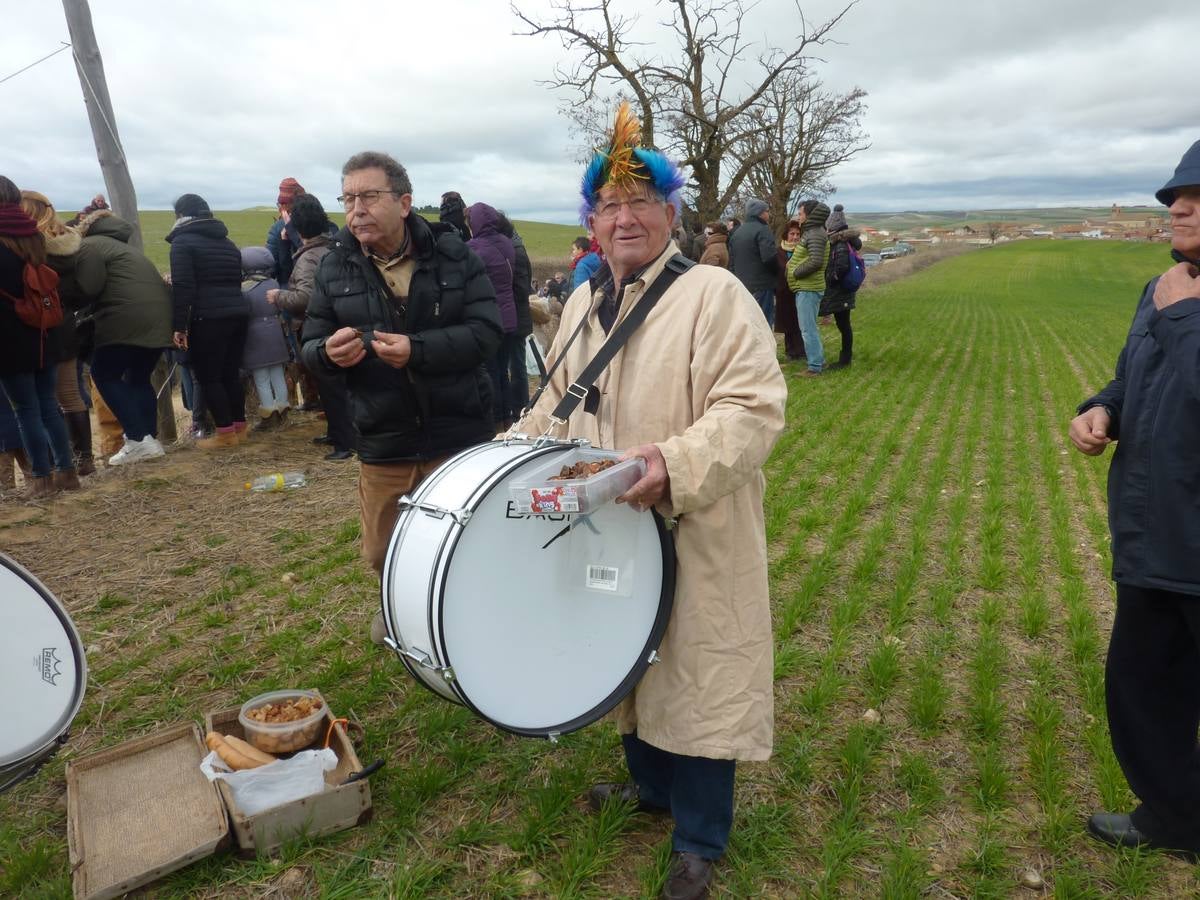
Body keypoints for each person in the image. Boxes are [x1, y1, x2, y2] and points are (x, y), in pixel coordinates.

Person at [518, 103, 786, 900]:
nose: (624, 216)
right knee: (627, 653)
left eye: (641, 202)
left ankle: (700, 837)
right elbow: (554, 405)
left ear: (670, 214)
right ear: (592, 223)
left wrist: (671, 463)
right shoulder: (582, 301)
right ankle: (652, 791)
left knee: (699, 667)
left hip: (692, 516)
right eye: (609, 204)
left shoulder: (713, 294)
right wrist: (500, 460)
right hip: (608, 522)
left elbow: (751, 408)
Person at [300, 151, 501, 638]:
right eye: (348, 199)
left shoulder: (455, 255)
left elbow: (486, 333)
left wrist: (419, 350)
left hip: (457, 425)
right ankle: (401, 606)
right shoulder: (334, 268)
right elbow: (309, 346)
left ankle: (468, 611)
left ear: (404, 202)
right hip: (383, 428)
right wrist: (328, 354)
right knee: (379, 547)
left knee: (467, 533)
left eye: (369, 196)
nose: (357, 209)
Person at [1071, 140, 1200, 857]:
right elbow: (1133, 376)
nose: (1177, 206)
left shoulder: (1177, 302)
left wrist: (1183, 318)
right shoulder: (1161, 289)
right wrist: (1102, 410)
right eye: (1176, 195)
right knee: (1144, 692)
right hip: (1154, 534)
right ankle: (1175, 818)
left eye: (1198, 197)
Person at [68, 204, 174, 466]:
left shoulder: (91, 246)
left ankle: (138, 440)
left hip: (125, 320)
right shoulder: (127, 250)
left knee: (104, 373)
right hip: (160, 320)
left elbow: (90, 286)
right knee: (138, 378)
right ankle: (149, 439)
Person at [0, 175, 77, 497]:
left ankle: (41, 479)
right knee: (48, 405)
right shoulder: (33, 235)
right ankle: (67, 473)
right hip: (45, 331)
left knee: (25, 410)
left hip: (9, 336)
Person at [268, 194, 353, 459]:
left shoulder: (307, 258)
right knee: (337, 385)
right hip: (339, 322)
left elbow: (305, 298)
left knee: (331, 386)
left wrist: (278, 297)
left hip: (315, 327)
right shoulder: (333, 247)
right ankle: (337, 434)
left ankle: (343, 443)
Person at [19, 191, 94, 475]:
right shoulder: (71, 244)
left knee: (44, 400)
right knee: (70, 394)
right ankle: (84, 459)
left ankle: (59, 463)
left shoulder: (31, 247)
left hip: (40, 325)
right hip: (65, 323)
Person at [168, 193, 250, 450]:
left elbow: (183, 286)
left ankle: (225, 434)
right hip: (238, 313)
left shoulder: (182, 243)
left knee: (209, 377)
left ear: (181, 216)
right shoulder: (227, 243)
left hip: (207, 317)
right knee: (230, 374)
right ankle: (240, 427)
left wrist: (179, 325)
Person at [466, 202, 518, 428]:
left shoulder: (473, 248)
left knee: (491, 372)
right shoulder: (507, 243)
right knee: (503, 371)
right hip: (510, 317)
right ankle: (508, 416)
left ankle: (496, 419)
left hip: (489, 319)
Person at [238, 247, 290, 431]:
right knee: (278, 373)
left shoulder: (243, 289)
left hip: (255, 334)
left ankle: (269, 415)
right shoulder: (273, 283)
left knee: (261, 377)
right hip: (275, 331)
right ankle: (283, 410)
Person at [496, 211, 534, 420]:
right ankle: (520, 405)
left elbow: (521, 288)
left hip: (516, 315)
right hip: (518, 314)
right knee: (515, 362)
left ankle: (521, 407)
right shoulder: (516, 246)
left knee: (516, 364)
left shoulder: (514, 250)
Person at [788, 199, 831, 378]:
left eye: (801, 213)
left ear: (810, 215)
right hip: (807, 287)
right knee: (810, 327)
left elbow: (815, 261)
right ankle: (818, 360)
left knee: (807, 329)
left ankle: (814, 366)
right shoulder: (814, 232)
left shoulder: (814, 234)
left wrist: (795, 272)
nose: (799, 217)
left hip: (808, 287)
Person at [821, 204, 862, 370]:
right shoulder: (847, 242)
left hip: (840, 291)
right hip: (844, 290)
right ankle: (846, 357)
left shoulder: (840, 244)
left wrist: (830, 279)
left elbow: (841, 267)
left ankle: (845, 359)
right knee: (844, 324)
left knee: (844, 325)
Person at [727, 198, 779, 325]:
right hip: (762, 284)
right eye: (767, 211)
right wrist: (778, 272)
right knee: (764, 322)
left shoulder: (737, 233)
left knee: (749, 323)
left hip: (743, 285)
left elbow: (732, 263)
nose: (769, 214)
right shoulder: (763, 230)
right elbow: (769, 258)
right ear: (760, 213)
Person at [775, 219, 806, 361]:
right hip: (783, 292)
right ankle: (790, 351)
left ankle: (801, 350)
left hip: (799, 290)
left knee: (800, 321)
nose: (795, 237)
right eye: (792, 234)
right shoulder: (778, 251)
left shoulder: (803, 251)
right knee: (787, 323)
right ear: (785, 235)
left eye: (797, 234)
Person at [266, 177, 305, 286]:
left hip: (288, 289)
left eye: (282, 203)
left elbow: (271, 266)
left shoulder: (278, 227)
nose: (280, 207)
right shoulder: (325, 224)